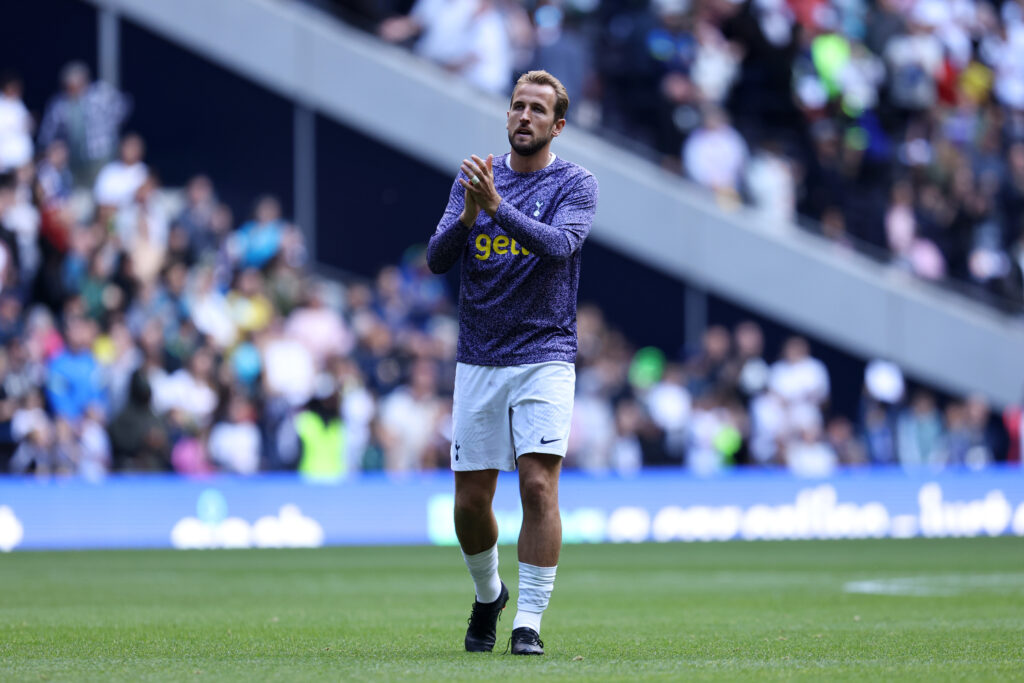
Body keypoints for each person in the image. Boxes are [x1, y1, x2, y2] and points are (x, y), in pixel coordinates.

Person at [426, 70, 598, 656]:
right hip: (479, 357)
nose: (525, 116)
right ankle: (488, 594)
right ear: (507, 117)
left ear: (558, 125)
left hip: (545, 353)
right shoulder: (474, 179)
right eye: (517, 106)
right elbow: (436, 259)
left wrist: (495, 207)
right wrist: (471, 213)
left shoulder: (576, 183)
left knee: (537, 486)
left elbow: (558, 246)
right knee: (471, 503)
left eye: (538, 110)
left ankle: (528, 621)